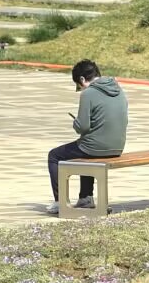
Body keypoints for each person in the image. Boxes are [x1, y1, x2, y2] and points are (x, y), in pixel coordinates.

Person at [47, 59, 126, 212]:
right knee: (86, 150)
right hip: (117, 147)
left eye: (79, 85)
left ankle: (60, 201)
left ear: (82, 79)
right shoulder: (118, 89)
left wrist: (75, 123)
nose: (80, 88)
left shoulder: (88, 93)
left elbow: (82, 127)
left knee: (54, 156)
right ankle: (85, 198)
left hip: (95, 147)